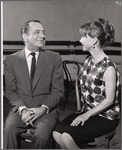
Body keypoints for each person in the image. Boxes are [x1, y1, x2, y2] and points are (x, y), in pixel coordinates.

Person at [53, 18, 120, 149]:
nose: (80, 40)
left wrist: (86, 115)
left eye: (84, 36)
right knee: (57, 133)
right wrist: (85, 113)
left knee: (67, 137)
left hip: (106, 117)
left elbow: (110, 100)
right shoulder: (88, 60)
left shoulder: (109, 67)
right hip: (87, 111)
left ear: (94, 40)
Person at [3, 20, 64, 149]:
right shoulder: (12, 60)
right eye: (37, 32)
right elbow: (10, 91)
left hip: (46, 110)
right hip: (20, 110)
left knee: (42, 136)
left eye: (43, 32)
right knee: (8, 131)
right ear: (25, 37)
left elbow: (58, 91)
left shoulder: (54, 58)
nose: (42, 36)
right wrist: (23, 110)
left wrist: (42, 109)